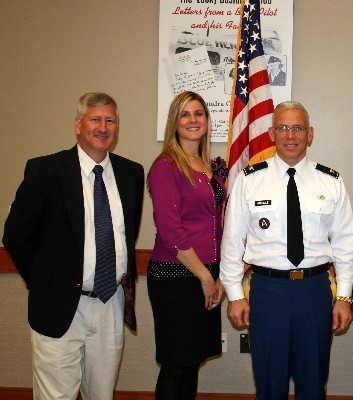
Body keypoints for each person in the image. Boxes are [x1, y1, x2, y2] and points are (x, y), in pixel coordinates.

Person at [2, 92, 144, 399]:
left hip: (110, 302)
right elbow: (15, 236)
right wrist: (45, 280)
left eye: (110, 120)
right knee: (57, 396)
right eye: (95, 119)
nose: (103, 127)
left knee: (101, 395)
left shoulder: (131, 173)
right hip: (59, 306)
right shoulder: (45, 171)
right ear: (78, 125)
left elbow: (125, 236)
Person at [220, 101, 353, 400]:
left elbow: (346, 243)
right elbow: (232, 241)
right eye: (283, 127)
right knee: (269, 384)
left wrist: (344, 297)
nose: (290, 135)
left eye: (297, 128)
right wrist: (234, 294)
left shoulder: (330, 181)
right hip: (268, 291)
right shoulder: (249, 180)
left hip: (315, 290)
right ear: (271, 133)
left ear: (310, 133)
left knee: (313, 383)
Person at [147, 91, 228, 399]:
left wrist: (217, 272)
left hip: (207, 272)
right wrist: (205, 277)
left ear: (207, 121)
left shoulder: (209, 167)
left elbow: (216, 223)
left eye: (198, 114)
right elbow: (171, 231)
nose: (193, 120)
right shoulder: (166, 166)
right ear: (175, 122)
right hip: (176, 277)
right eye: (185, 114)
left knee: (193, 361)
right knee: (175, 364)